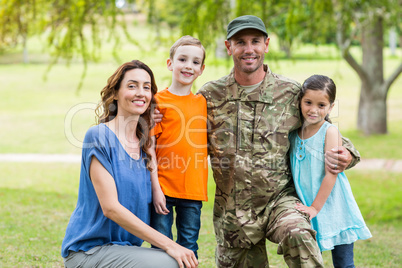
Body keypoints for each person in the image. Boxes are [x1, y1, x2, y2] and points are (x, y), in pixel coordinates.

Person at [196, 15, 361, 267]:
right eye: (240, 42)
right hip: (234, 212)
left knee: (299, 234)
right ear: (229, 47)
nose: (249, 49)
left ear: (267, 44)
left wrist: (347, 154)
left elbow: (325, 129)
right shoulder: (210, 95)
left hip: (280, 202)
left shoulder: (291, 92)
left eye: (255, 41)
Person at [61, 60, 198, 268]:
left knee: (182, 260)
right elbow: (111, 209)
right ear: (115, 93)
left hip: (124, 249)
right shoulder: (99, 137)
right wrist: (171, 245)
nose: (140, 93)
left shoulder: (145, 146)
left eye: (146, 87)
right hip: (90, 252)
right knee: (172, 262)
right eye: (132, 86)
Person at [289, 74, 372, 268]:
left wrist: (315, 208)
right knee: (311, 258)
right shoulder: (295, 131)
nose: (313, 110)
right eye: (308, 102)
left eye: (321, 105)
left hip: (334, 205)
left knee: (343, 263)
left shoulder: (329, 131)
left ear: (331, 107)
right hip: (309, 201)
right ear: (300, 101)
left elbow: (331, 174)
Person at [150, 35, 208, 259]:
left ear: (202, 69)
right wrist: (155, 188)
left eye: (195, 62)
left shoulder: (203, 102)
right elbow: (149, 150)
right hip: (162, 188)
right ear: (170, 63)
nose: (188, 66)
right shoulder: (156, 102)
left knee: (189, 247)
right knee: (161, 248)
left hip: (192, 190)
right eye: (182, 59)